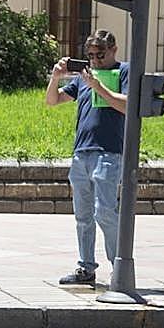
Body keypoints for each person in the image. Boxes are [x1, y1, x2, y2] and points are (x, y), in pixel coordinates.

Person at [45, 29, 129, 285]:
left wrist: (99, 87)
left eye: (100, 55)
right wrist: (56, 77)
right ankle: (86, 268)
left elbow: (127, 105)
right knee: (83, 215)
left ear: (113, 50)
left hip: (109, 152)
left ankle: (119, 268)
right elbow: (53, 100)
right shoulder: (83, 78)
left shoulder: (123, 71)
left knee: (104, 211)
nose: (95, 60)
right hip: (81, 153)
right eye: (90, 55)